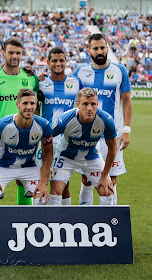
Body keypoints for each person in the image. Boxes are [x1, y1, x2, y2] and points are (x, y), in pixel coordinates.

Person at [0, 37, 40, 205]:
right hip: (0, 141)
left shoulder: (31, 78)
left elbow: (38, 109)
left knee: (25, 186)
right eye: (11, 52)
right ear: (3, 53)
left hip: (28, 140)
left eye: (18, 53)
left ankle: (24, 225)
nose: (15, 56)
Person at [73, 33, 132, 205]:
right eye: (95, 48)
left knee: (110, 181)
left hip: (112, 135)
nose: (99, 51)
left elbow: (127, 100)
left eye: (102, 47)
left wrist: (127, 130)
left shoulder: (119, 70)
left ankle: (110, 222)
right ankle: (86, 218)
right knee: (86, 180)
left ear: (107, 48)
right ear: (89, 51)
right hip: (87, 135)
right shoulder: (80, 72)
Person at [0, 88, 52, 205]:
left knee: (42, 199)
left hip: (29, 166)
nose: (29, 107)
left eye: (32, 103)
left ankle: (30, 223)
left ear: (36, 105)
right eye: (25, 103)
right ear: (17, 104)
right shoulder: (2, 125)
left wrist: (43, 182)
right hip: (2, 166)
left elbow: (49, 152)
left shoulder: (43, 125)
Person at [49, 87, 117, 205]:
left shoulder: (106, 120)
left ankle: (104, 222)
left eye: (92, 104)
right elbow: (46, 138)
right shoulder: (65, 119)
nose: (89, 108)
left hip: (92, 157)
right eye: (85, 104)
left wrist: (105, 175)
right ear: (78, 104)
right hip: (66, 157)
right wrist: (44, 166)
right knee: (56, 192)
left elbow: (113, 147)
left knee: (107, 191)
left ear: (97, 104)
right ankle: (56, 222)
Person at [37, 47, 82, 205]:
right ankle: (40, 218)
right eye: (54, 60)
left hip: (67, 140)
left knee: (63, 183)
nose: (58, 63)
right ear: (48, 62)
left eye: (61, 60)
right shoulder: (40, 82)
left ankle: (64, 219)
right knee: (41, 180)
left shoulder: (75, 83)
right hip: (45, 139)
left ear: (66, 62)